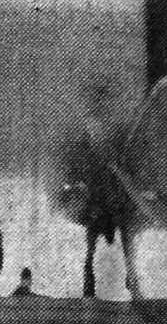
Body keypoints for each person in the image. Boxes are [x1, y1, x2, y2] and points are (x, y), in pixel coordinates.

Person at [59, 85, 141, 298]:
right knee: (102, 242)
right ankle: (105, 282)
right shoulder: (96, 134)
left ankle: (126, 280)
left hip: (109, 196)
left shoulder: (110, 133)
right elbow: (77, 168)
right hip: (101, 198)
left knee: (111, 239)